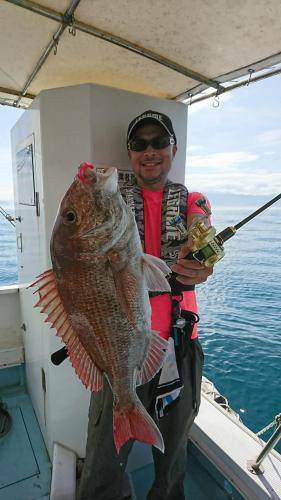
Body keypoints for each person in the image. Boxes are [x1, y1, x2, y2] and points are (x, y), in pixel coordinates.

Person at [78, 110, 213, 500]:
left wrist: (198, 258)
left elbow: (200, 218)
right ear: (129, 152)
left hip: (179, 346)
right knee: (104, 455)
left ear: (174, 148)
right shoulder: (108, 199)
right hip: (117, 348)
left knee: (173, 456)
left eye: (159, 142)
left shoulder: (192, 198)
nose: (150, 151)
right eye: (140, 144)